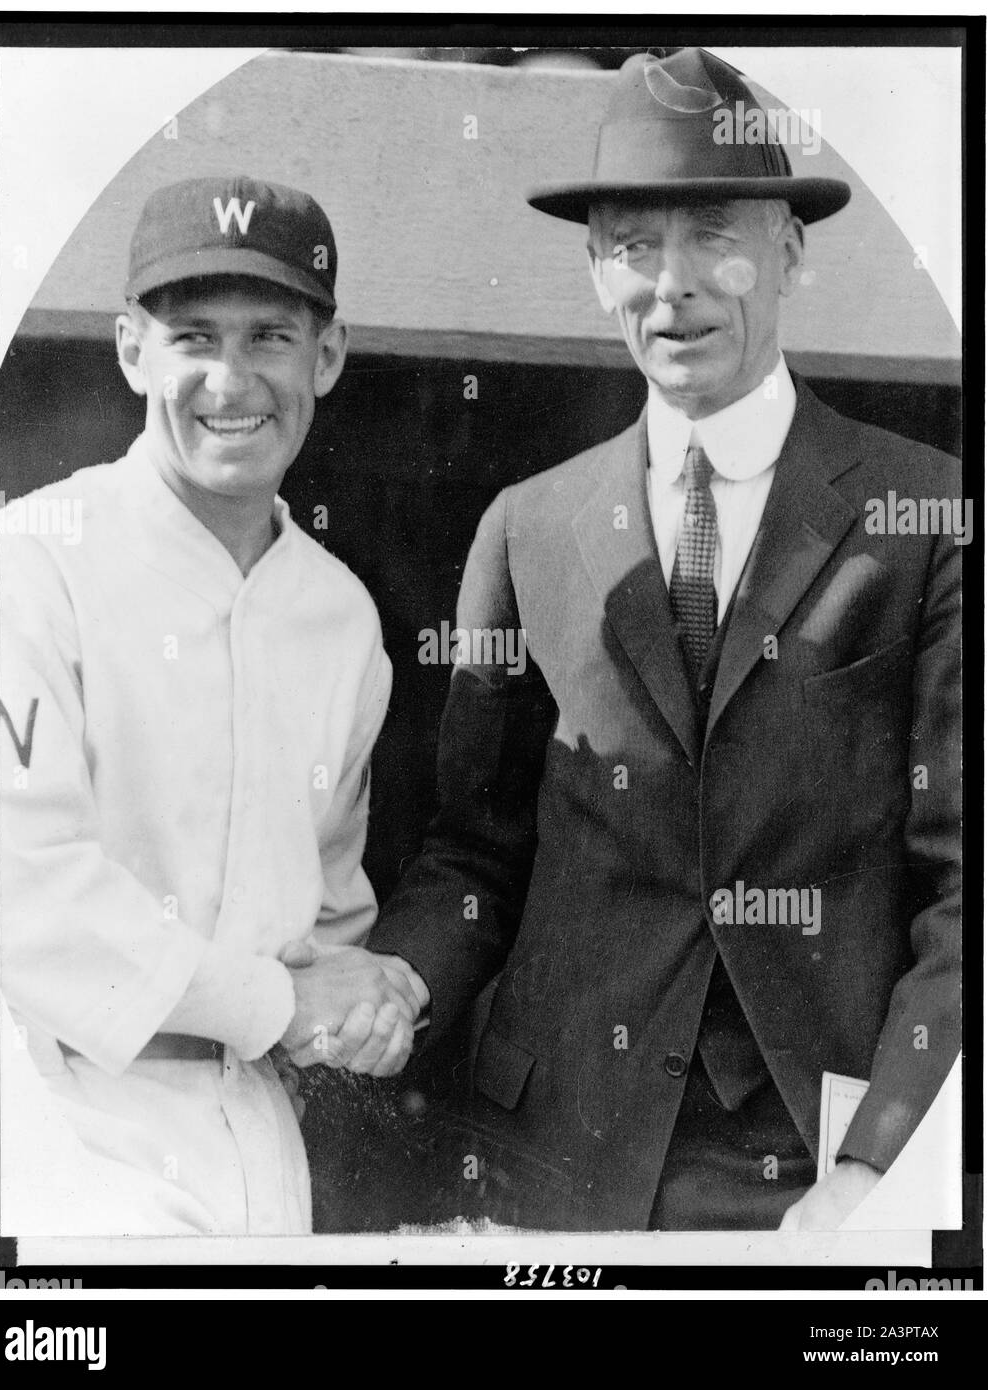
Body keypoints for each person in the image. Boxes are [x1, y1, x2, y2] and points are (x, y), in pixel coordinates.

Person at [368, 48, 962, 1231]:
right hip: (554, 1157)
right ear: (596, 273)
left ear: (790, 250)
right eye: (634, 246)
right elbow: (475, 857)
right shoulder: (527, 526)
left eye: (714, 236)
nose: (672, 285)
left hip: (813, 1172)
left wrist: (879, 1163)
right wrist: (397, 980)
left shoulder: (929, 515)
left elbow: (967, 885)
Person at [0, 175, 426, 1237]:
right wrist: (284, 1003)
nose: (230, 382)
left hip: (256, 1132)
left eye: (270, 336)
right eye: (192, 336)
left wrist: (363, 1005)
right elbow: (18, 896)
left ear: (326, 356)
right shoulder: (34, 563)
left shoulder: (339, 614)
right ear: (130, 349)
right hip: (64, 1119)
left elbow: (328, 912)